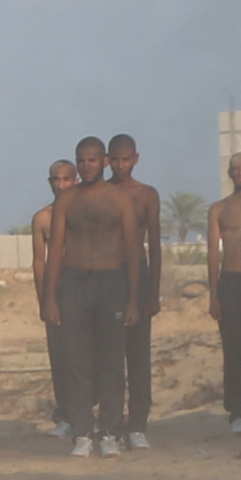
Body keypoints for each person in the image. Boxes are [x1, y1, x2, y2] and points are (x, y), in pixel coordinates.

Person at [46, 136, 142, 457]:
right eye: (81, 160)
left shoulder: (119, 199)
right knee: (77, 361)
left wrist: (132, 299)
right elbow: (54, 252)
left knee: (112, 362)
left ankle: (110, 431)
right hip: (73, 285)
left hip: (111, 283)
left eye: (92, 160)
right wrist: (50, 298)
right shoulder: (67, 200)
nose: (86, 166)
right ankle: (83, 431)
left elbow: (132, 250)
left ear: (104, 161)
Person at [106, 134, 163, 449]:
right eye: (114, 160)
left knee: (138, 354)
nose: (120, 165)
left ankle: (138, 423)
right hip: (108, 276)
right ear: (107, 160)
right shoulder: (100, 193)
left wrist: (153, 292)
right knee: (110, 356)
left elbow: (154, 244)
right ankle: (112, 423)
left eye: (126, 159)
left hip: (138, 276)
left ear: (136, 159)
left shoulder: (146, 195)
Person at [30, 157, 79, 439]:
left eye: (66, 179)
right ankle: (65, 415)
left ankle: (91, 414)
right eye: (55, 180)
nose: (60, 185)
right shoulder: (42, 219)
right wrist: (44, 299)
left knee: (89, 356)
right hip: (57, 294)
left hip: (85, 289)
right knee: (60, 358)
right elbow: (40, 261)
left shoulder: (86, 213)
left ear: (75, 180)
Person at [211, 150, 241, 433]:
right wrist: (213, 293)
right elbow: (212, 254)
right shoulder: (219, 209)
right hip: (229, 281)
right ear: (229, 173)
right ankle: (236, 410)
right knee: (233, 352)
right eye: (236, 168)